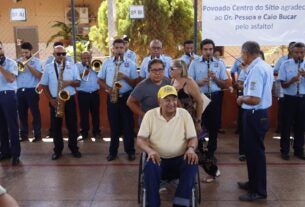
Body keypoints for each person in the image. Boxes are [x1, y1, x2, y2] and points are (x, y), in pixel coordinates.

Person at [137, 85, 198, 207]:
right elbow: (140, 139)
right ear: (159, 101)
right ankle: (153, 204)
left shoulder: (184, 114)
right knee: (149, 167)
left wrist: (191, 149)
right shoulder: (150, 115)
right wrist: (150, 151)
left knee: (192, 163)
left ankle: (180, 203)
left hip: (180, 159)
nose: (172, 103)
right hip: (158, 159)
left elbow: (193, 138)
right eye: (167, 100)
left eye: (174, 99)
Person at [236, 41, 273, 201]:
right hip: (259, 114)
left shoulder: (257, 70)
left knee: (256, 153)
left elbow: (254, 99)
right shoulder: (263, 66)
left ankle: (258, 191)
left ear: (247, 53)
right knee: (253, 152)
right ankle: (253, 183)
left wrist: (240, 98)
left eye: (242, 53)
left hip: (254, 114)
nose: (241, 57)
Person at [98, 38, 138, 162]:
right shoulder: (107, 63)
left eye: (122, 48)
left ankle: (130, 151)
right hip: (112, 96)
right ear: (113, 49)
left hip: (126, 97)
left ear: (124, 48)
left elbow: (134, 83)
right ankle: (113, 152)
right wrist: (109, 89)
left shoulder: (131, 63)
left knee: (128, 126)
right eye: (117, 48)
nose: (119, 50)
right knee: (114, 127)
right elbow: (99, 80)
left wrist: (125, 77)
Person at [188, 39, 228, 159]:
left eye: (210, 49)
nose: (208, 52)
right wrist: (198, 83)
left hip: (215, 97)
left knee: (214, 125)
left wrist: (215, 78)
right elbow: (189, 83)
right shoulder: (195, 63)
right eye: (205, 49)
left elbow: (224, 84)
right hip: (200, 97)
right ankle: (199, 148)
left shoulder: (219, 64)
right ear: (201, 50)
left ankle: (211, 151)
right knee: (199, 123)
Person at [40, 45, 82, 160]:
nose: (61, 56)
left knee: (72, 125)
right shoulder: (48, 67)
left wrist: (68, 83)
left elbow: (78, 83)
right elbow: (43, 85)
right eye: (58, 54)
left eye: (63, 54)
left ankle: (74, 148)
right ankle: (57, 150)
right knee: (56, 127)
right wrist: (51, 100)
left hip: (70, 99)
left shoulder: (72, 66)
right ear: (54, 55)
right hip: (55, 100)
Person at [278, 42, 305, 160]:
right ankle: (285, 151)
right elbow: (283, 85)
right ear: (292, 52)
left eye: (302, 52)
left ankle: (299, 150)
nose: (299, 55)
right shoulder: (285, 64)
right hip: (289, 99)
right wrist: (292, 80)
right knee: (286, 125)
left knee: (301, 125)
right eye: (297, 52)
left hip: (303, 99)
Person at [16, 42, 43, 142]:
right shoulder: (18, 61)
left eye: (26, 53)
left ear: (31, 51)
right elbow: (14, 75)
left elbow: (39, 75)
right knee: (21, 114)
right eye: (22, 53)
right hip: (20, 90)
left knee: (35, 113)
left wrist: (27, 65)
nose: (24, 55)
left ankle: (37, 134)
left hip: (32, 90)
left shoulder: (36, 61)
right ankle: (23, 135)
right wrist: (20, 65)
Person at [0, 41, 21, 166]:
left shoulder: (11, 63)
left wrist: (1, 67)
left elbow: (11, 78)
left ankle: (15, 154)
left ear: (2, 48)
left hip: (8, 95)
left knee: (12, 126)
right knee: (1, 127)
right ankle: (5, 152)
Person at [170, 59, 203, 132]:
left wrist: (198, 122)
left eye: (172, 68)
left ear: (180, 70)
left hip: (189, 118)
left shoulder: (189, 82)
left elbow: (200, 102)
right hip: (176, 117)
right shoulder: (173, 80)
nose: (170, 70)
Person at [76, 51, 101, 141]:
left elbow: (102, 76)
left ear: (91, 58)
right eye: (84, 58)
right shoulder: (77, 66)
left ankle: (96, 132)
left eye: (88, 58)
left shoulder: (96, 65)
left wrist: (95, 69)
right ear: (81, 58)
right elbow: (75, 79)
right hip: (83, 94)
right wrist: (84, 73)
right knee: (84, 114)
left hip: (94, 93)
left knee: (95, 114)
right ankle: (84, 133)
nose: (86, 60)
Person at [273, 42, 296, 133]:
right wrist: (284, 76)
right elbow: (275, 72)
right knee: (282, 108)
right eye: (292, 47)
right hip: (282, 87)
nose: (293, 49)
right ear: (288, 49)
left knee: (295, 109)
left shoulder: (301, 61)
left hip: (296, 89)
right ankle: (280, 127)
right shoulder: (282, 60)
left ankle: (294, 127)